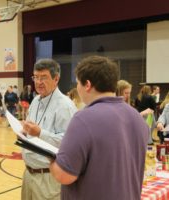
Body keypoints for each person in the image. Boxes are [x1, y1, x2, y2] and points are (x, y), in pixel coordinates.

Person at [49, 55, 149, 200]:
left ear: (87, 85)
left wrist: (51, 161)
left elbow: (65, 175)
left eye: (78, 83)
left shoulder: (83, 119)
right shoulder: (137, 118)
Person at [21, 58, 77, 200]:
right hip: (29, 174)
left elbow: (69, 143)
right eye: (36, 77)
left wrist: (40, 133)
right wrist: (24, 132)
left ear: (56, 79)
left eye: (44, 77)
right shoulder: (35, 100)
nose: (38, 82)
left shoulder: (65, 105)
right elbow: (31, 130)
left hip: (48, 178)